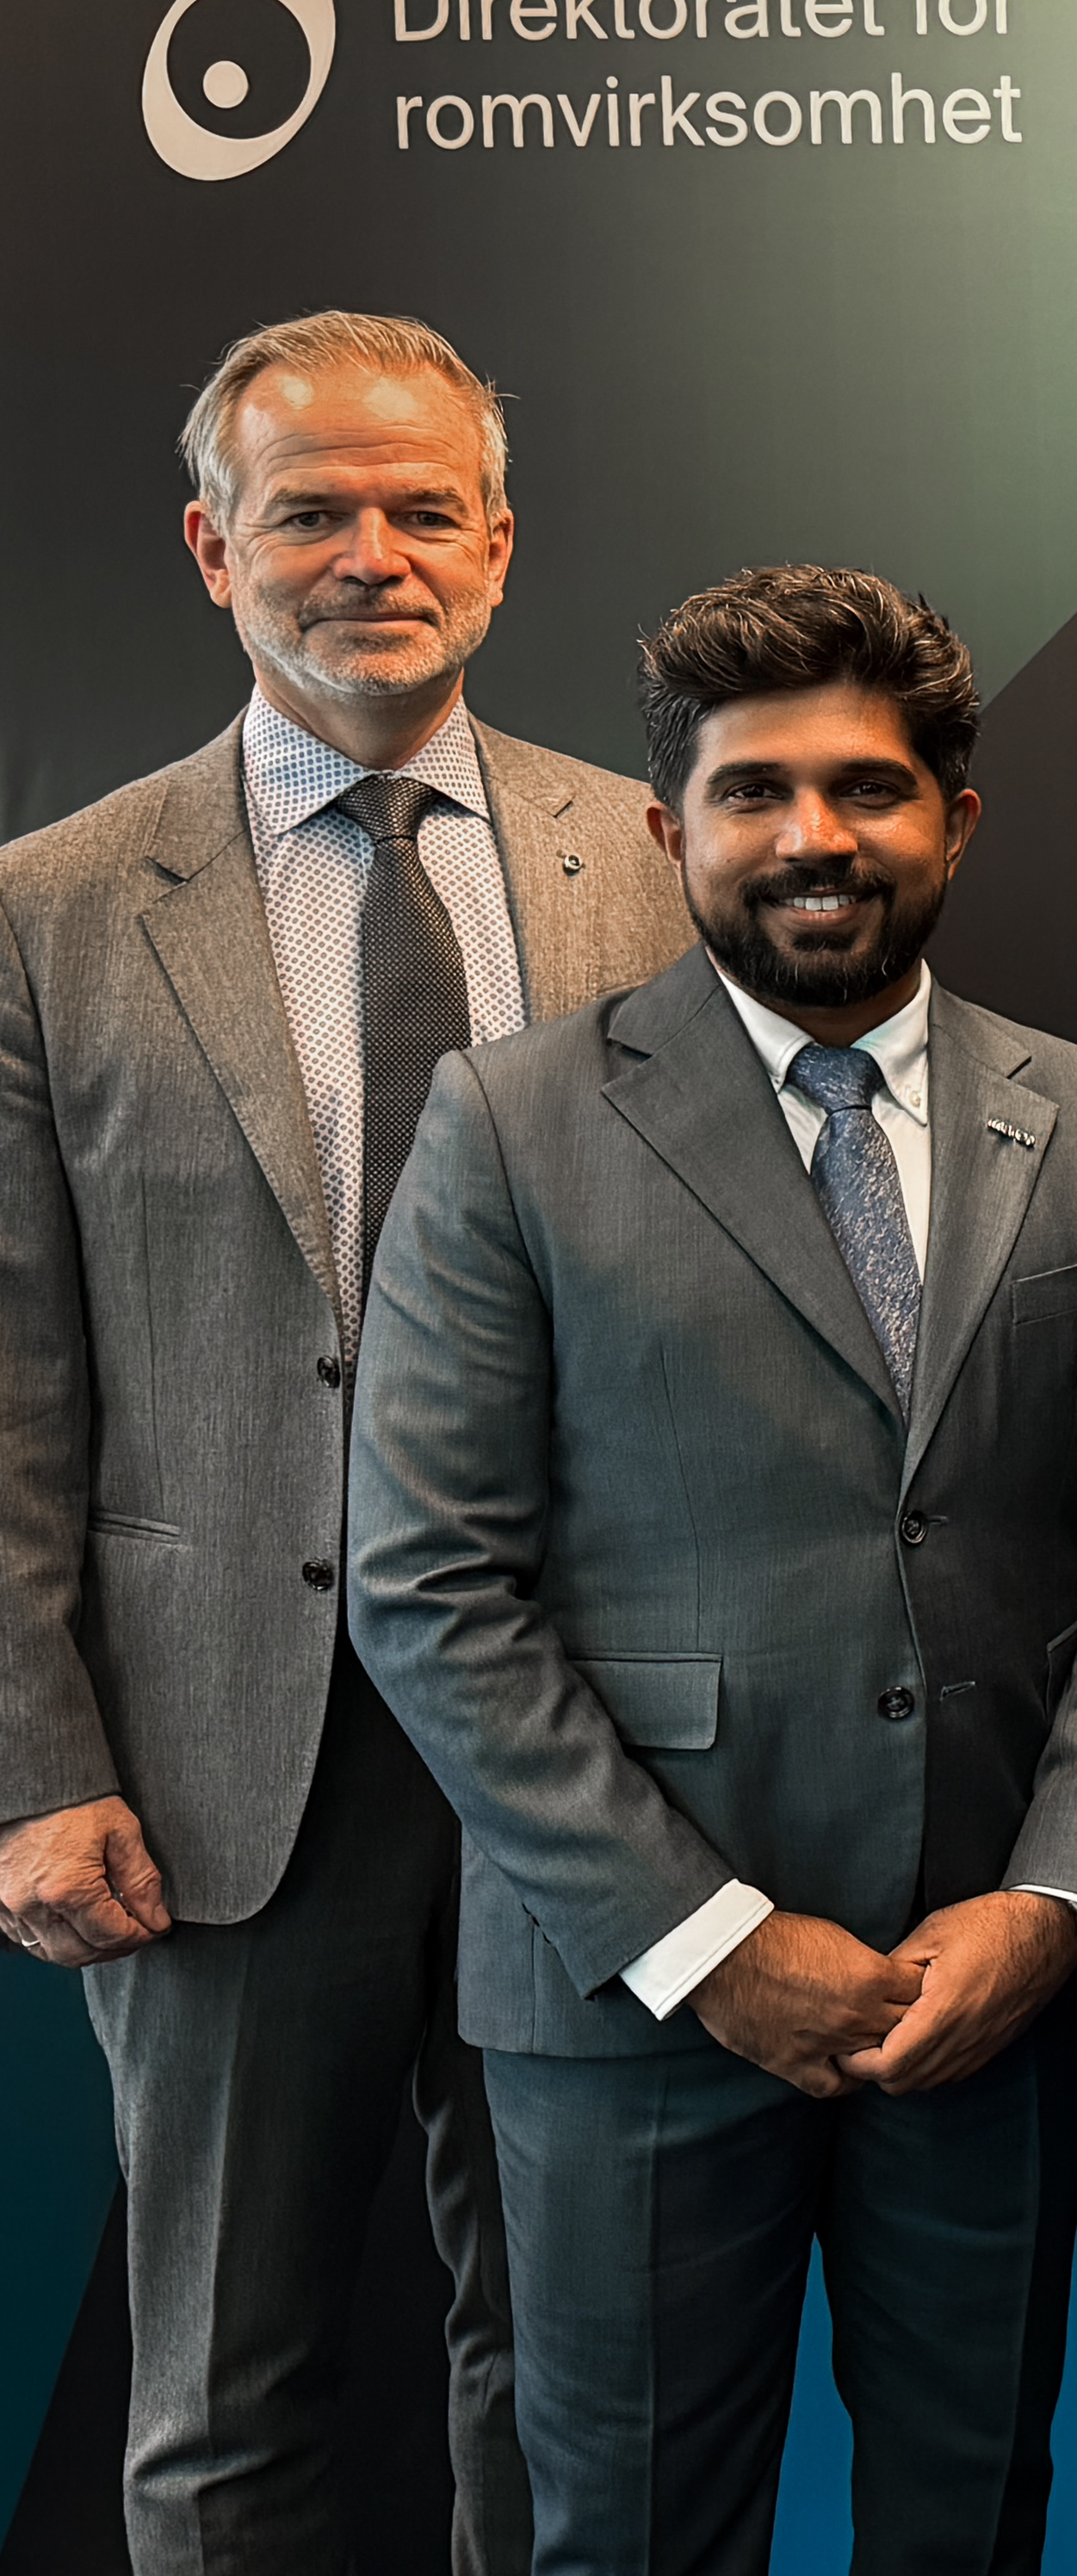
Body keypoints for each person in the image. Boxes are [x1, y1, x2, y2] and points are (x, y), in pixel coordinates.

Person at [340, 567, 1077, 2576]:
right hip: (630, 2000)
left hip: (989, 1986)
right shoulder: (513, 1122)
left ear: (954, 821)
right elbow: (428, 1581)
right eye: (756, 792)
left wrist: (1056, 1900)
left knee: (971, 2517)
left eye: (869, 790)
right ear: (668, 827)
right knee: (622, 2534)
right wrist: (713, 1940)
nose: (815, 838)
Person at [0, 313, 690, 2573]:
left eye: (420, 510)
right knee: (223, 2395)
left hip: (585, 1743)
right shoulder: (52, 909)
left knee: (576, 2364)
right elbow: (9, 1381)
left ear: (499, 548)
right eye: (310, 509)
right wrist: (32, 1757)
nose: (367, 554)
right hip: (216, 1765)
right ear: (214, 546)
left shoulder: (657, 858)